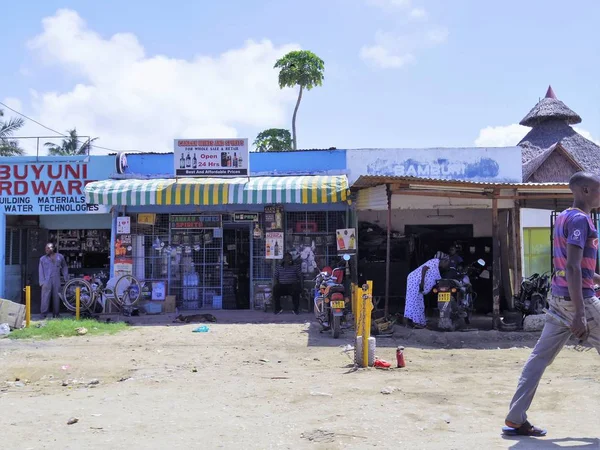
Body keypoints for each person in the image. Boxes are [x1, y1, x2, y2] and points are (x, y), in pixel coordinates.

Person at [503, 172, 600, 437]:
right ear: (584, 190)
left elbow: (576, 267)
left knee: (539, 357)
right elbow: (571, 266)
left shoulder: (564, 217)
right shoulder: (580, 219)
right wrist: (580, 313)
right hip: (577, 299)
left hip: (558, 298)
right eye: (598, 188)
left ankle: (515, 417)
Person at [404, 257, 450, 328]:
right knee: (413, 301)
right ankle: (410, 322)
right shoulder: (434, 261)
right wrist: (422, 282)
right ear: (444, 261)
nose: (447, 266)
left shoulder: (437, 268)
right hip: (415, 280)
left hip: (417, 282)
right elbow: (424, 268)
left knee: (418, 302)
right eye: (447, 264)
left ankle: (417, 322)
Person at [38, 242, 69, 319]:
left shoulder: (60, 257)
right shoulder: (42, 259)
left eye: (49, 248)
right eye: (46, 248)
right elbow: (40, 270)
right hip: (46, 280)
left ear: (53, 248)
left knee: (57, 297)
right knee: (45, 297)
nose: (47, 249)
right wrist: (42, 282)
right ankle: (43, 314)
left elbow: (64, 267)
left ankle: (56, 314)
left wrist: (66, 278)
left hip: (56, 279)